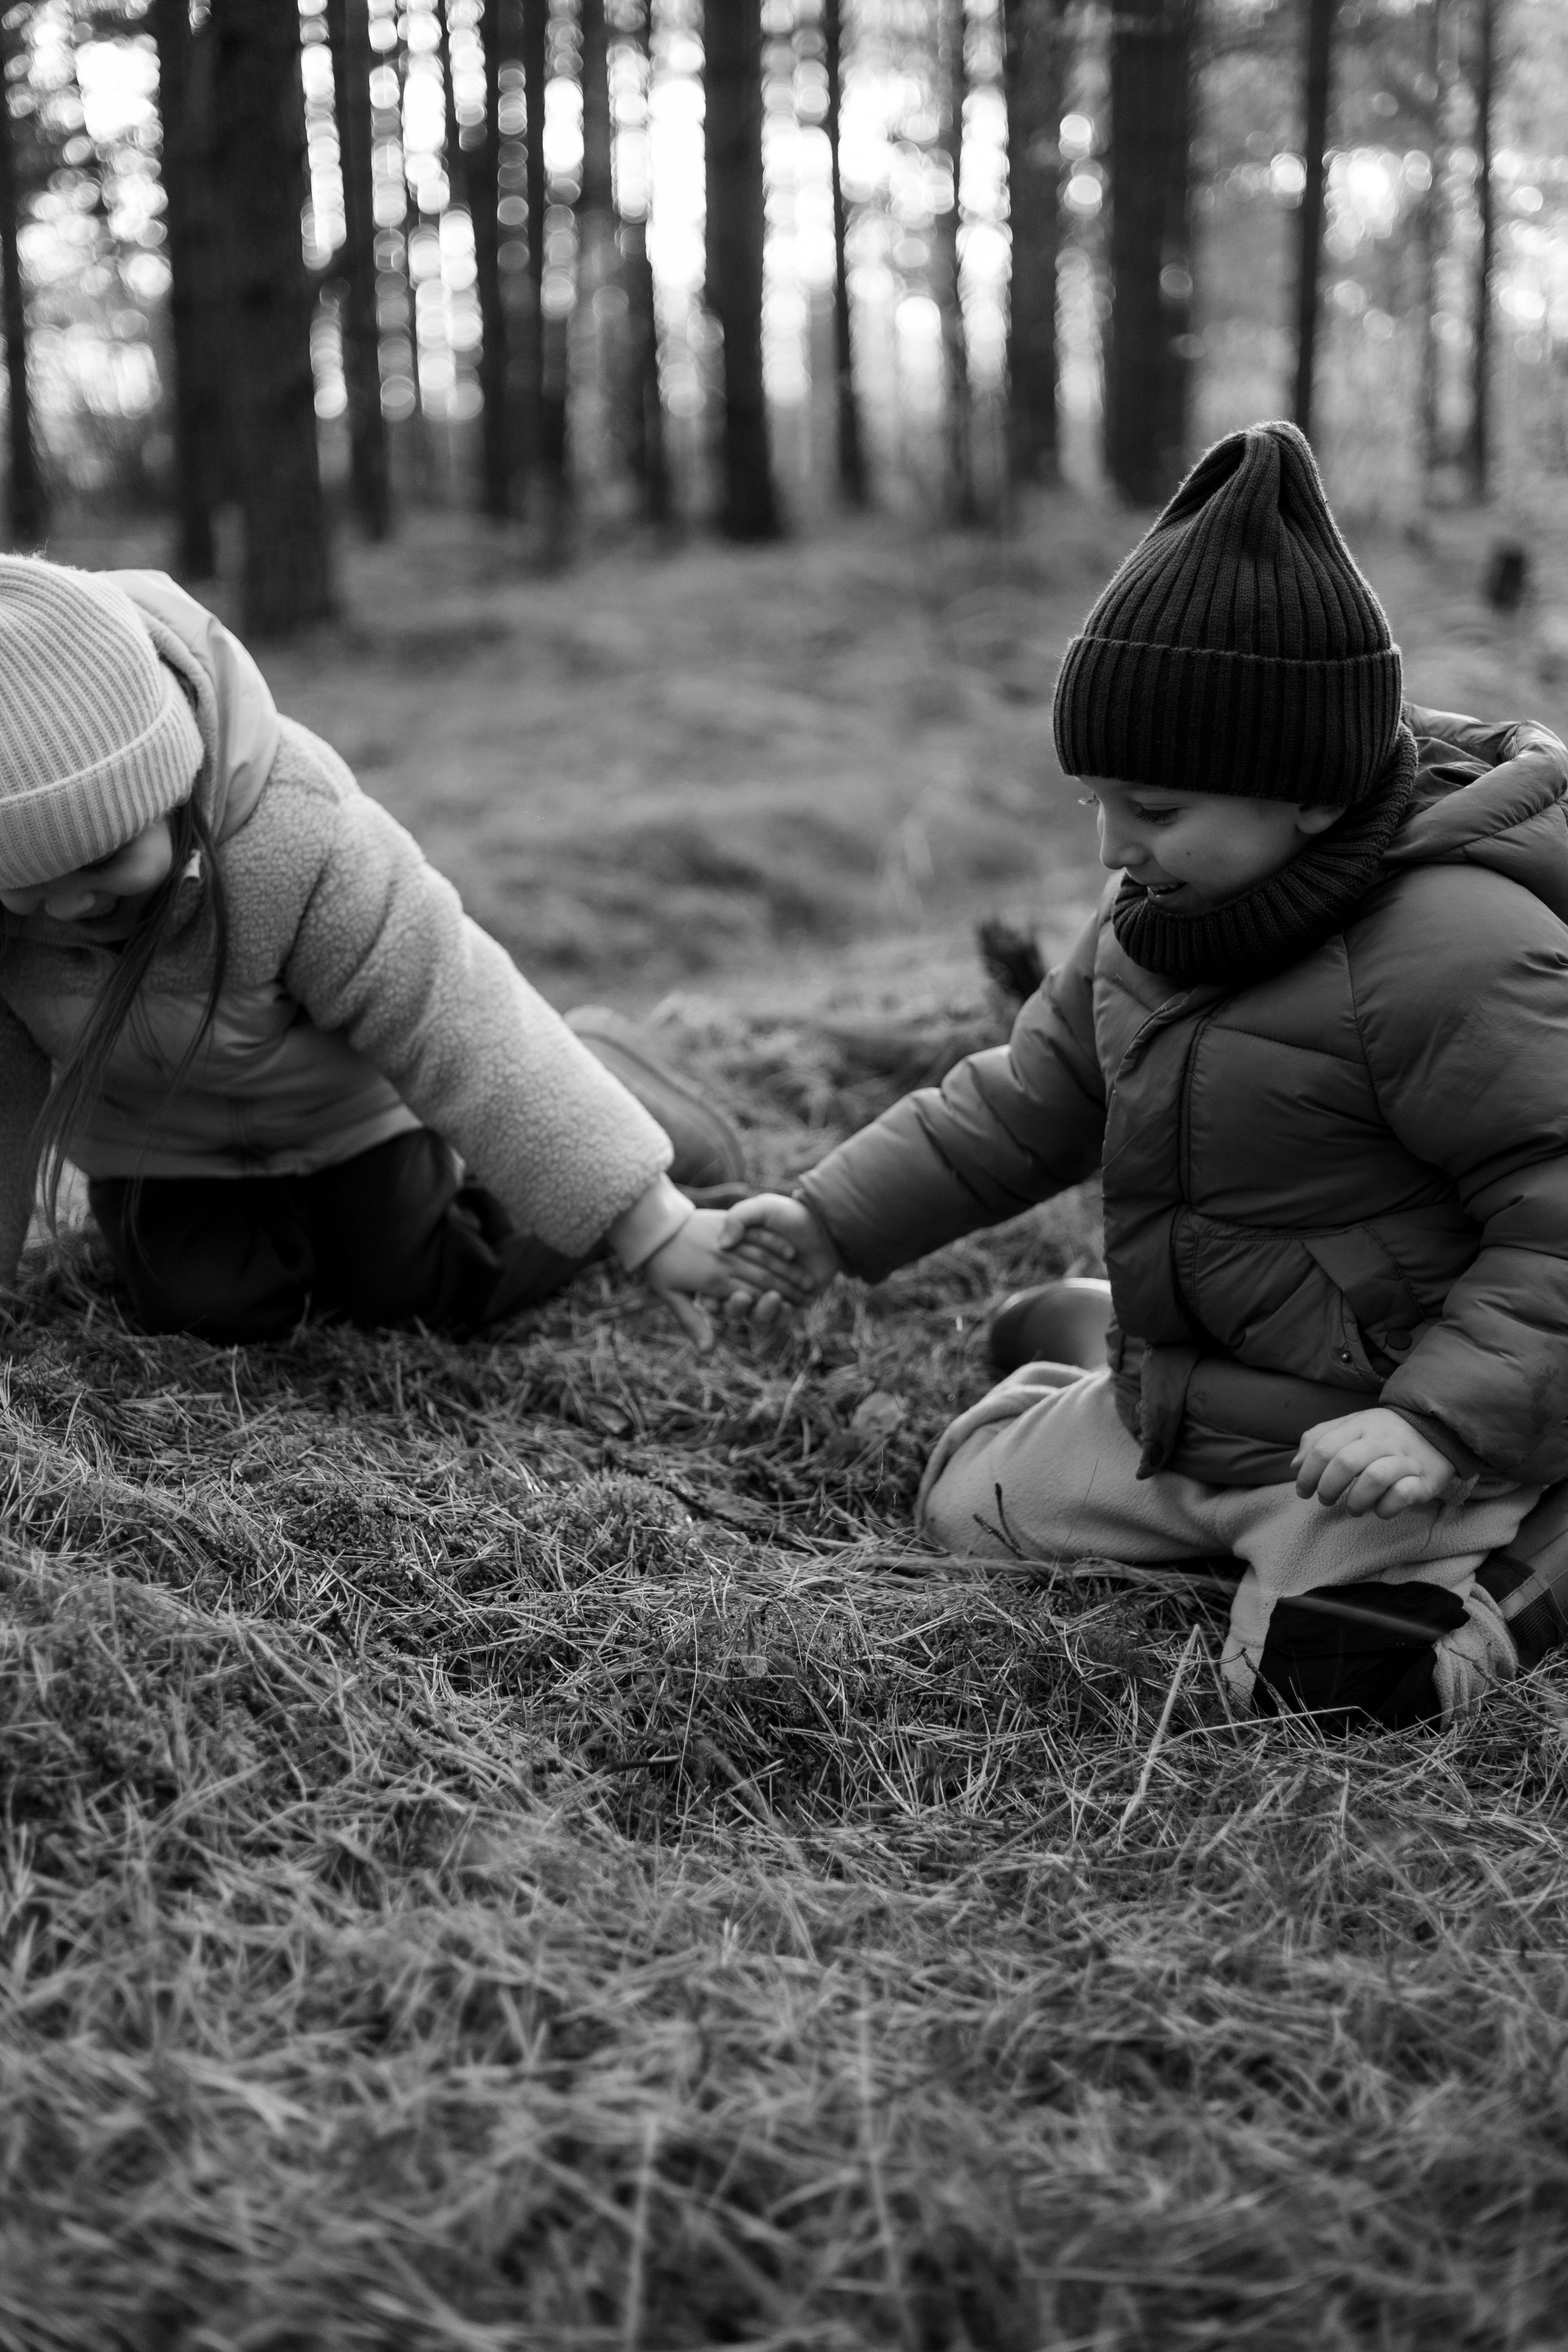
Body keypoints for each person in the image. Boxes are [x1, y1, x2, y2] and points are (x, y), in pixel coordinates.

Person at [720, 420, 1568, 1728]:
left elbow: (1555, 1219)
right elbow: (1016, 1103)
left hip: (1384, 1431)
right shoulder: (1151, 924)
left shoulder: (1452, 950)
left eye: (1156, 811)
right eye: (1097, 802)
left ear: (1308, 794)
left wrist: (1438, 1429)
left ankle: (1538, 1522)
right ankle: (1081, 1347)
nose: (1115, 847)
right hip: (1196, 1403)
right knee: (965, 1507)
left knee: (1338, 1689)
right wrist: (834, 1217)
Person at [0, 558, 765, 1350]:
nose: (65, 905)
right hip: (162, 1143)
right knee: (206, 1311)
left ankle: (615, 1072)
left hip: (346, 1116)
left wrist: (647, 1224)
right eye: (22, 881)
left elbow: (455, 1018)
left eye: (101, 861)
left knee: (413, 1283)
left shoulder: (299, 842)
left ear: (169, 786)